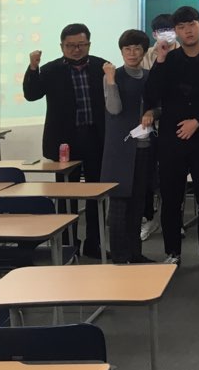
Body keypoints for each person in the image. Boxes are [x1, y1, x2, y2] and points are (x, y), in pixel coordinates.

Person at [144, 6, 199, 273]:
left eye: (191, 25)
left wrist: (198, 121)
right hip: (171, 140)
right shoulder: (167, 61)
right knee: (171, 198)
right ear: (176, 31)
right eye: (181, 27)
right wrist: (160, 60)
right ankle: (172, 253)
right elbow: (151, 95)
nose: (187, 31)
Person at [23, 23, 107, 258]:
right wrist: (33, 67)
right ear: (62, 46)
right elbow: (31, 94)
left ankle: (94, 243)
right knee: (66, 195)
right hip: (65, 143)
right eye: (70, 45)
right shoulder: (51, 70)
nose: (76, 49)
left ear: (89, 44)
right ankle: (70, 244)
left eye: (81, 44)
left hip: (96, 138)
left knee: (96, 193)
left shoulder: (101, 66)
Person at [100, 29, 156, 264]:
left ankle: (135, 253)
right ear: (121, 51)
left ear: (144, 52)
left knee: (138, 203)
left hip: (144, 148)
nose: (132, 53)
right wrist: (111, 80)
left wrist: (152, 112)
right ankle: (119, 256)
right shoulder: (113, 76)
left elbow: (158, 104)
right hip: (120, 149)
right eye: (127, 49)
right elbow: (114, 108)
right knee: (119, 205)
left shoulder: (149, 76)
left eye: (137, 49)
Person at [139, 13, 177, 242]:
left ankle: (172, 220)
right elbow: (145, 90)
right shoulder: (145, 56)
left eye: (170, 29)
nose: (167, 34)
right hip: (150, 124)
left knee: (172, 177)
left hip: (177, 123)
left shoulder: (186, 52)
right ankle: (149, 218)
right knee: (148, 174)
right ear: (154, 34)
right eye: (162, 30)